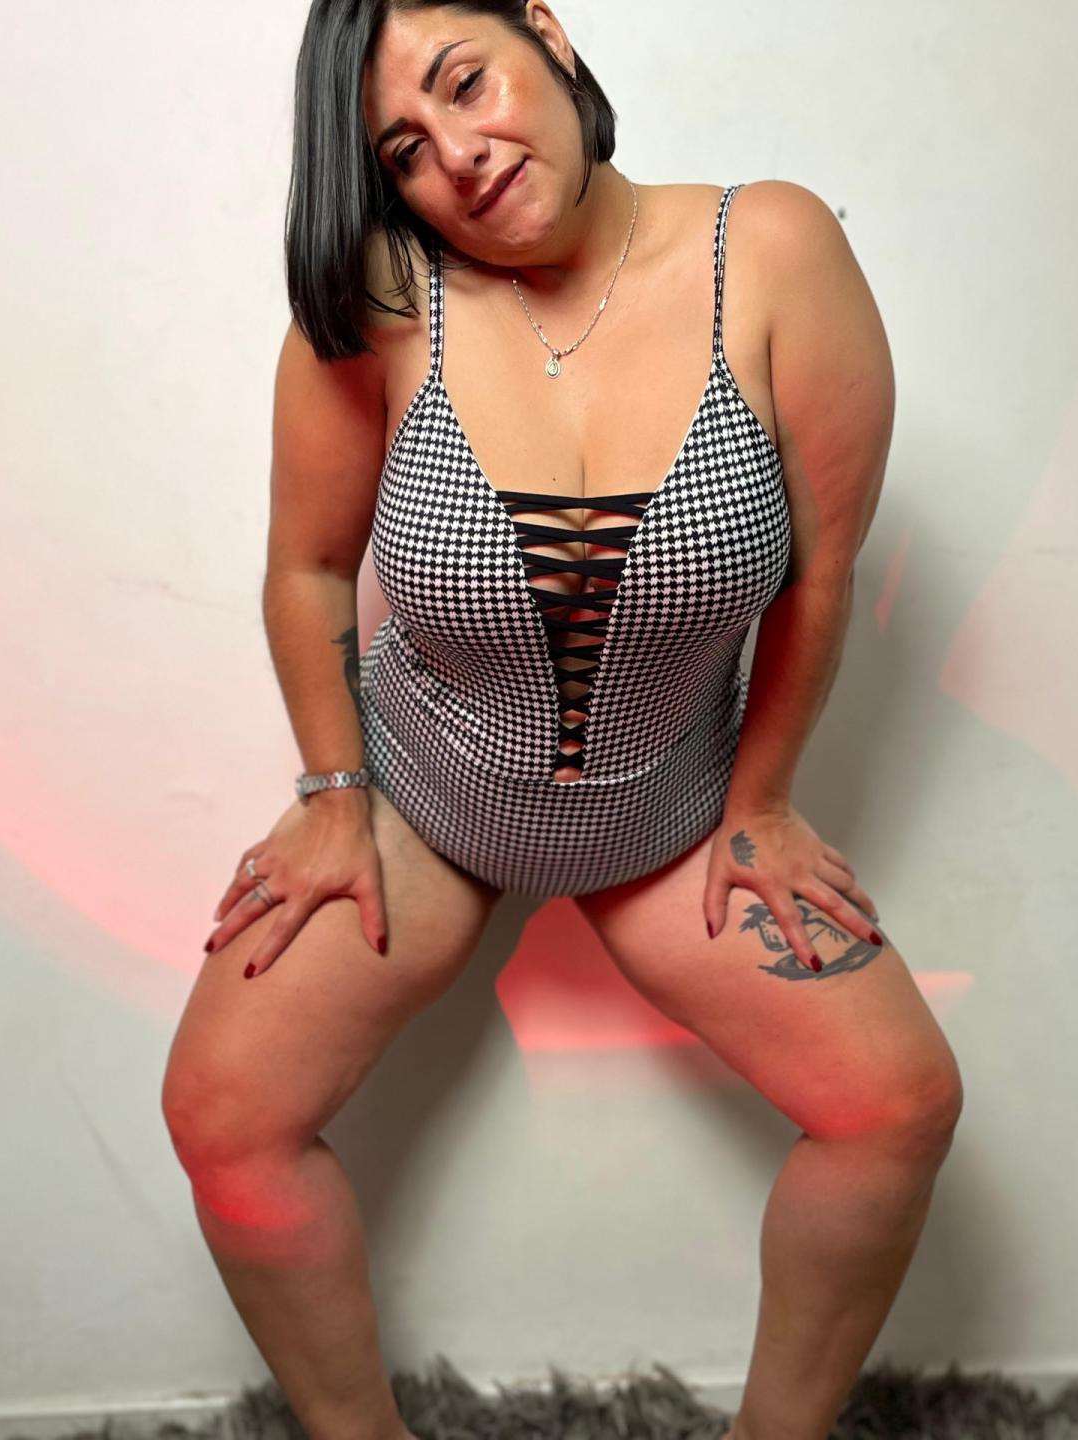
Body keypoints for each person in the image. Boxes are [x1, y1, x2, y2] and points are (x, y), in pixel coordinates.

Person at [161, 4, 961, 1438]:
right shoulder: (385, 298)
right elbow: (310, 566)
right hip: (427, 805)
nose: (459, 153)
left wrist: (764, 803)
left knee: (897, 1105)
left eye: (466, 82)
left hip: (673, 816)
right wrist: (335, 793)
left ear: (546, 34)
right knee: (222, 1116)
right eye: (404, 147)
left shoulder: (772, 252)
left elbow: (821, 571)